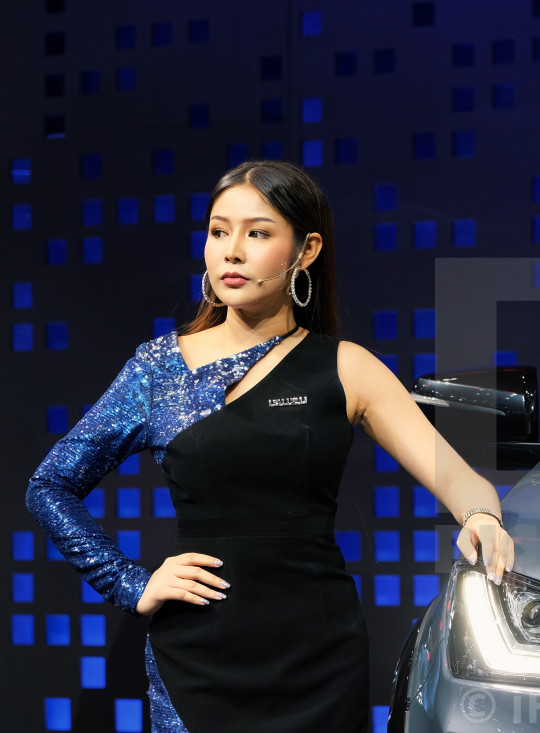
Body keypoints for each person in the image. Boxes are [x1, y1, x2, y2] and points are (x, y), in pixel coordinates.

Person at [25, 160, 514, 732]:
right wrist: (129, 582)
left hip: (318, 659)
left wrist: (481, 516)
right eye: (218, 230)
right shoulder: (160, 368)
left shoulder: (345, 366)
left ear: (305, 251)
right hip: (196, 659)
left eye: (257, 233)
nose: (231, 251)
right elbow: (50, 485)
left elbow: (458, 478)